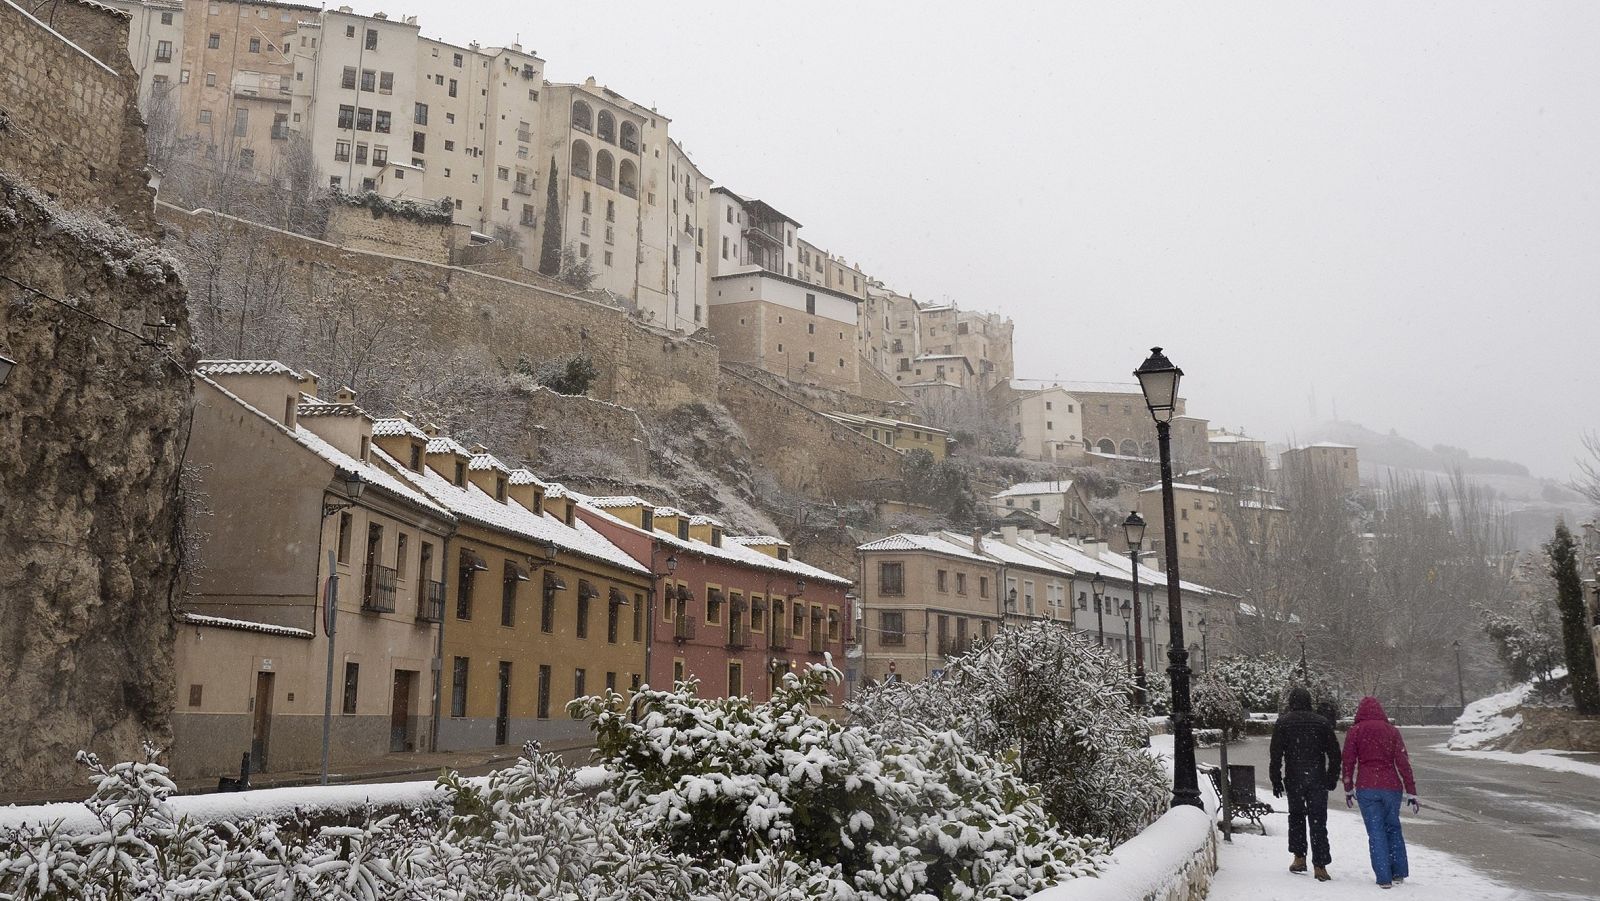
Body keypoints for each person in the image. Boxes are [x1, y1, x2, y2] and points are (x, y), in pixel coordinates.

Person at [1341, 696, 1419, 889]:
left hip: (1367, 786)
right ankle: (1399, 872)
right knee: (1393, 827)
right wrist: (1411, 791)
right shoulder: (1392, 731)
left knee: (1376, 831)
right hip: (1391, 786)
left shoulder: (1355, 731)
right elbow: (1403, 762)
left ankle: (1384, 877)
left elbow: (1348, 761)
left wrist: (1348, 788)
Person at [1270, 686, 1342, 881]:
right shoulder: (1321, 723)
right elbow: (1335, 753)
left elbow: (1276, 754)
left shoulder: (1283, 723)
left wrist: (1276, 779)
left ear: (1291, 702)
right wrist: (1331, 777)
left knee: (1296, 817)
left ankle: (1299, 856)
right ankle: (1320, 864)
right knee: (1318, 820)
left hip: (1294, 778)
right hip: (1317, 778)